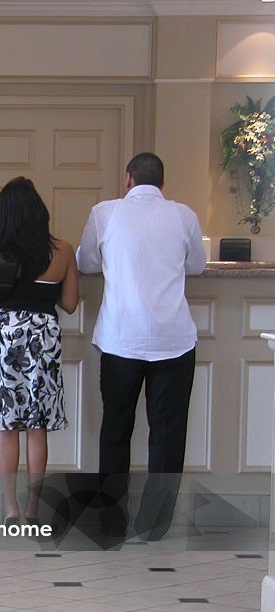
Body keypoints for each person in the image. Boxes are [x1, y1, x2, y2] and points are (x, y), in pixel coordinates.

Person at [76, 152, 206, 538]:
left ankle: (111, 522)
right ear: (162, 184)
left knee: (116, 430)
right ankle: (154, 525)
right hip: (174, 339)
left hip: (120, 339)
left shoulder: (105, 212)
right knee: (167, 433)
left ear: (127, 178)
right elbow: (197, 266)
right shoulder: (184, 215)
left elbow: (86, 264)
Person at [0, 178, 79, 522]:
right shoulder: (63, 250)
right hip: (44, 336)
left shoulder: (0, 251)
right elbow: (69, 303)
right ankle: (35, 508)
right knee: (38, 426)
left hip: (7, 336)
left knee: (8, 426)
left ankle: (10, 507)